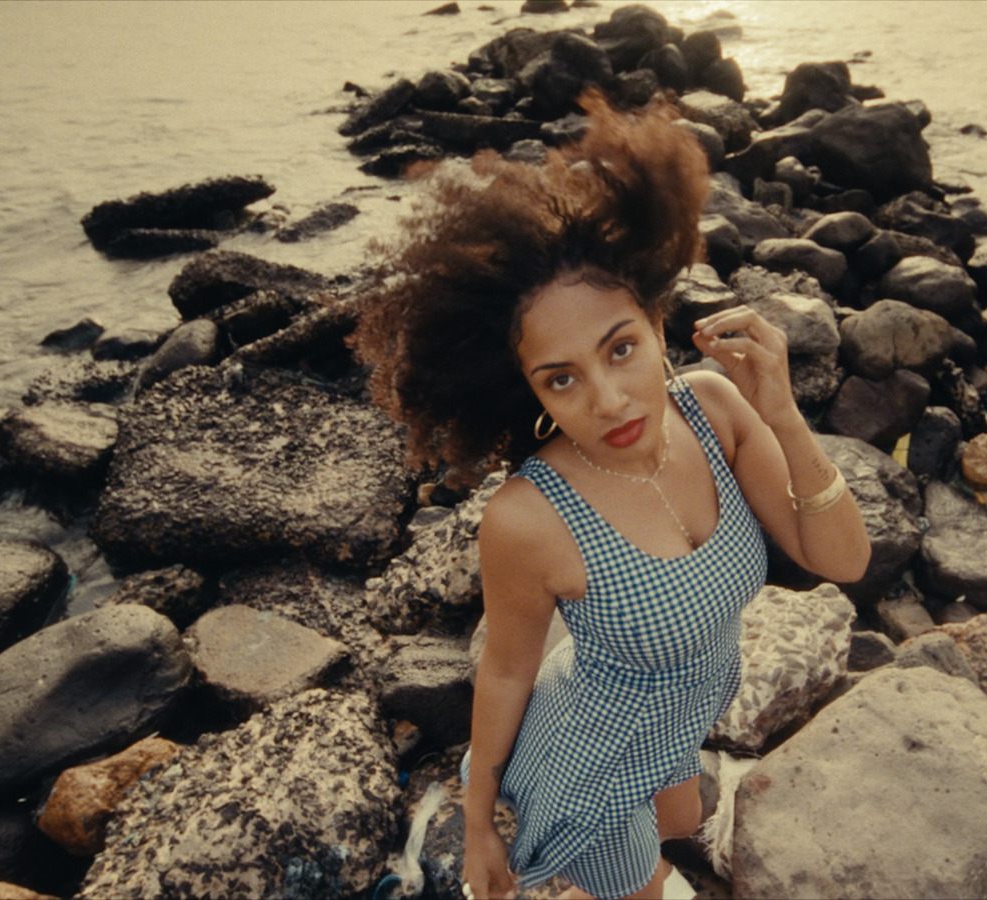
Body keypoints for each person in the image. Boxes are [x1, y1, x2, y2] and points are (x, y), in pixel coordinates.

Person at [352, 90, 871, 900]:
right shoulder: (527, 518)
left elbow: (841, 557)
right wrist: (481, 820)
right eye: (562, 378)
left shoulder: (717, 411)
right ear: (529, 389)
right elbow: (504, 673)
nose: (610, 400)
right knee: (643, 880)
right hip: (586, 765)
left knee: (676, 824)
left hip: (683, 718)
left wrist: (784, 417)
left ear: (658, 322)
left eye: (620, 349)